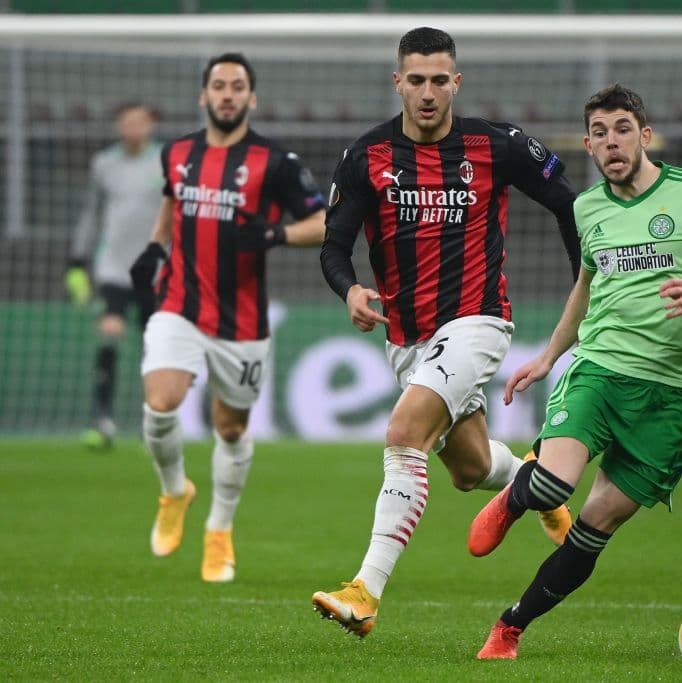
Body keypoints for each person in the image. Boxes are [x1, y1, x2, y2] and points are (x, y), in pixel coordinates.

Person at [313, 26, 579, 637]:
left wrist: (581, 283)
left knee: (404, 432)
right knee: (469, 468)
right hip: (408, 339)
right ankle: (536, 477)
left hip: (478, 321)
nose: (428, 92)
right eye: (416, 80)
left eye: (440, 80)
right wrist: (350, 289)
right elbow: (334, 245)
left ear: (456, 82)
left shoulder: (497, 144)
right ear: (397, 83)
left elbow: (568, 203)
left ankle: (365, 590)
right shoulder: (365, 157)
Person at [470, 83, 682, 660]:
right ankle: (515, 498)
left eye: (622, 129)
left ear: (644, 137)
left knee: (594, 527)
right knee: (552, 485)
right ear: (589, 147)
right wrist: (548, 357)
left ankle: (510, 626)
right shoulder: (586, 208)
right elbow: (585, 287)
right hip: (602, 367)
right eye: (599, 133)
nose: (611, 142)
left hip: (673, 394)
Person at [128, 53, 326, 582]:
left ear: (251, 98)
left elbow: (323, 221)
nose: (228, 94)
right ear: (204, 95)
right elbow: (172, 203)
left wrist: (275, 233)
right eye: (219, 85)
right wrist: (155, 247)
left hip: (241, 322)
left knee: (231, 428)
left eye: (238, 86)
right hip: (180, 304)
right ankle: (174, 491)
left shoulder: (274, 161)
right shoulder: (177, 153)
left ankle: (219, 529)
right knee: (161, 401)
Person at [66, 103, 163, 449]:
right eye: (126, 122)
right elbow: (91, 214)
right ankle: (103, 418)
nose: (133, 128)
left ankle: (152, 420)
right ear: (119, 126)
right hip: (113, 267)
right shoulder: (104, 164)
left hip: (154, 269)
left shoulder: (166, 162)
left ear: (150, 125)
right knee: (110, 331)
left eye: (139, 121)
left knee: (154, 346)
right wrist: (77, 261)